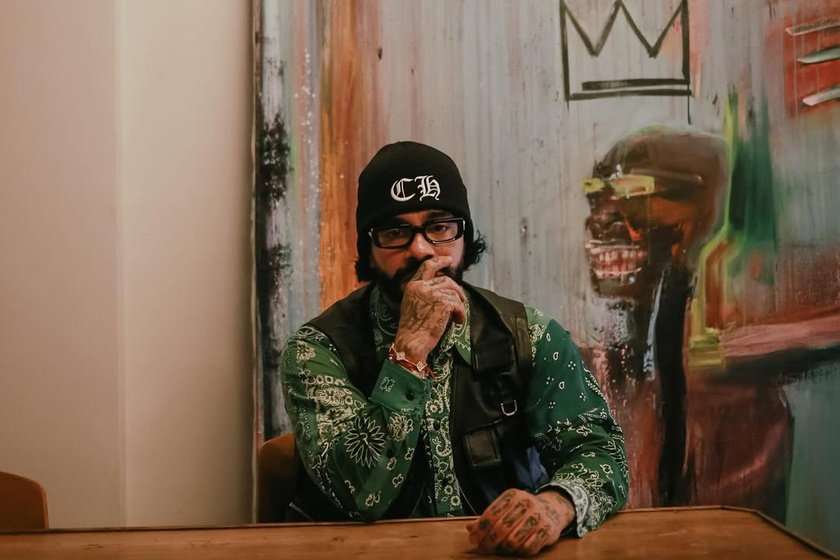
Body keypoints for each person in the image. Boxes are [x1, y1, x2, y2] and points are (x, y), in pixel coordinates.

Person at [279, 141, 628, 557]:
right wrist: (408, 354)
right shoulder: (317, 351)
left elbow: (601, 453)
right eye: (395, 232)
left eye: (440, 227)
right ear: (368, 250)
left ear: (465, 236)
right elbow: (360, 495)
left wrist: (555, 505)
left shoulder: (530, 337)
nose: (421, 249)